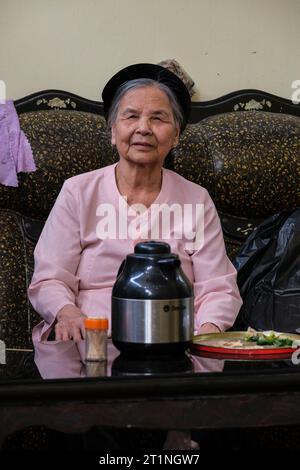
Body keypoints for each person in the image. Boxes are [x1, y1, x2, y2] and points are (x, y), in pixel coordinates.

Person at [28, 63, 242, 364]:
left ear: (176, 134)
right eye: (131, 116)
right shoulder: (78, 192)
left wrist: (207, 334)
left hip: (174, 344)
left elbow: (218, 287)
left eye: (158, 118)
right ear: (113, 131)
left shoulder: (197, 199)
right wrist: (66, 311)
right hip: (91, 345)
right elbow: (49, 278)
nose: (144, 128)